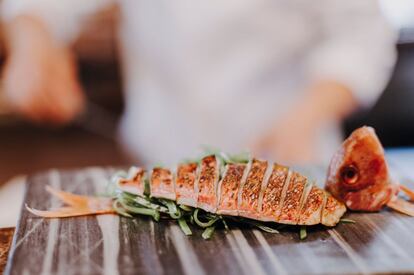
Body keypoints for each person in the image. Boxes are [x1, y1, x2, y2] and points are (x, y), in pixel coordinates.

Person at [0, 1, 397, 166]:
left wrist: (306, 116)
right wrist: (31, 39)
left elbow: (362, 37)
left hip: (287, 154)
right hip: (159, 155)